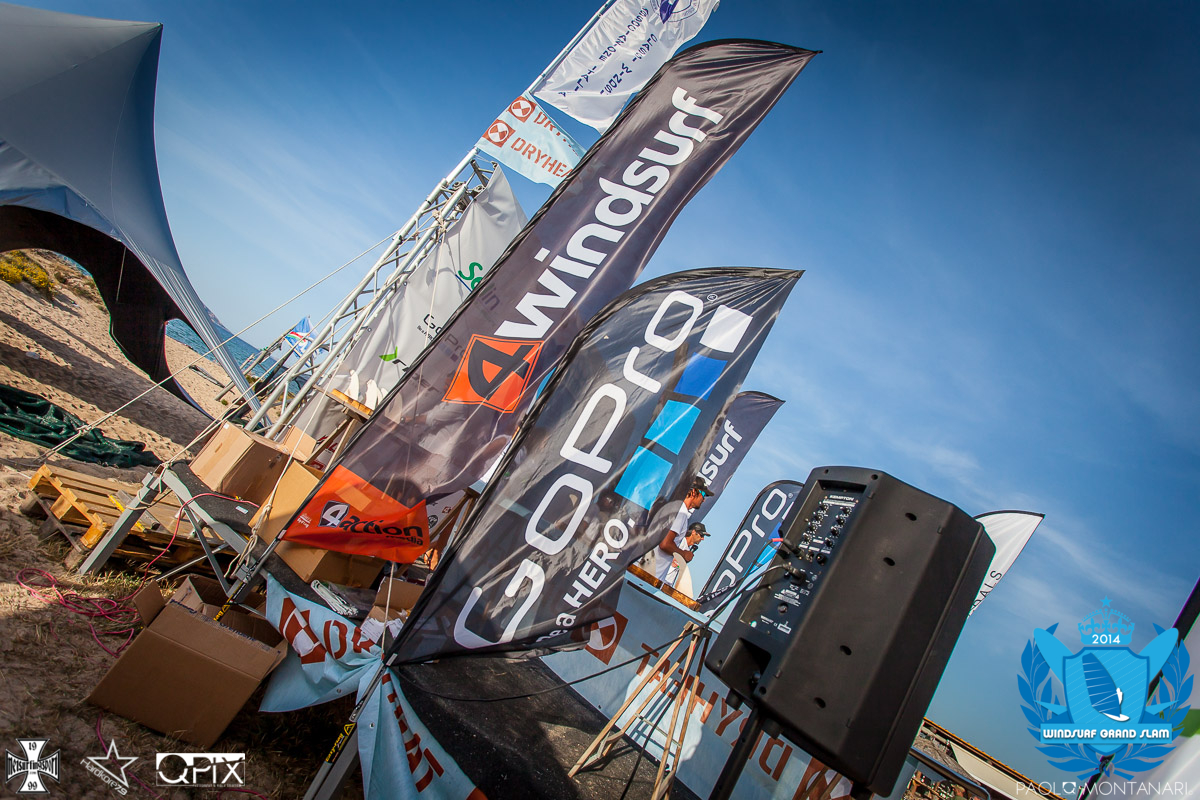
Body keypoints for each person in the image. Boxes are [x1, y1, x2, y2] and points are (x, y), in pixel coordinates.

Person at [653, 476, 714, 584]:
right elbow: (665, 544)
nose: (704, 499)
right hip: (650, 575)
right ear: (694, 492)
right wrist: (684, 554)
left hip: (645, 570)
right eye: (703, 494)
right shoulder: (681, 512)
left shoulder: (672, 506)